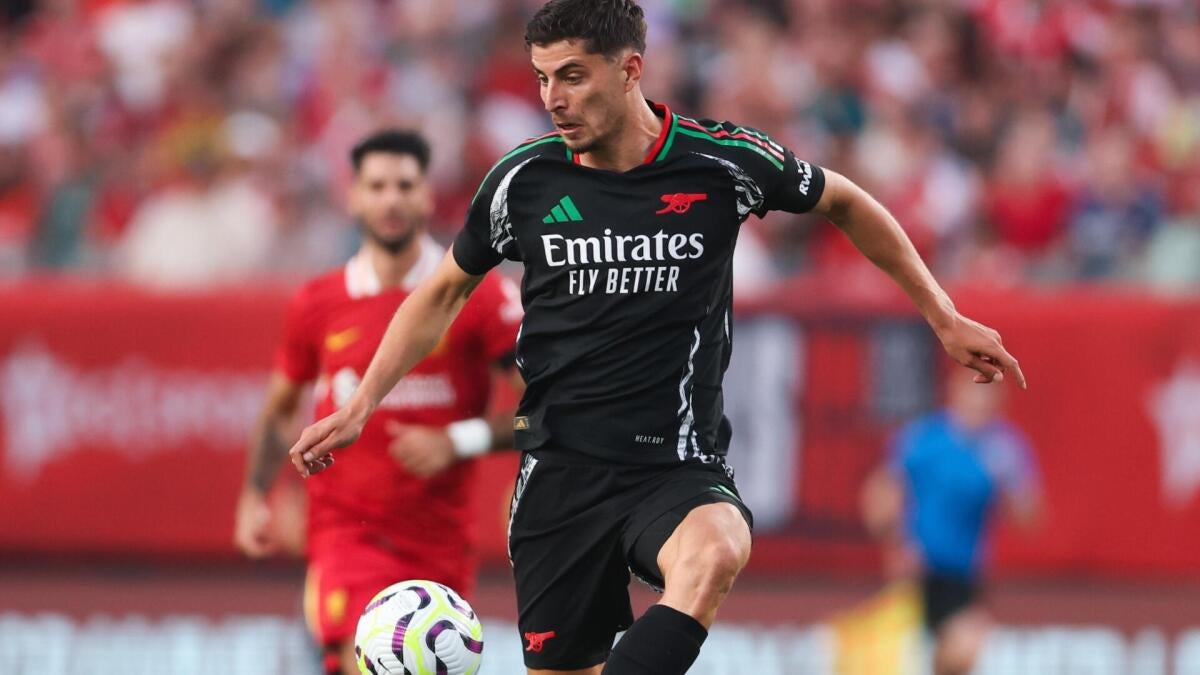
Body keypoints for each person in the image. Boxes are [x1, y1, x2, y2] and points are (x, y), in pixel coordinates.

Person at [288, 3, 1027, 674]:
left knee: (718, 548)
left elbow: (846, 202)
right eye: (543, 78)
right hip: (559, 474)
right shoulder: (523, 180)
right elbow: (442, 291)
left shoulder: (721, 161)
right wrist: (363, 404)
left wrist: (942, 314)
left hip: (672, 463)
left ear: (630, 68)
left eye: (573, 76)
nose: (553, 98)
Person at [233, 129, 523, 675]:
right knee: (366, 660)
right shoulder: (318, 302)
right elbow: (280, 409)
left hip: (439, 537)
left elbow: (544, 408)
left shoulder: (479, 296)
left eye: (405, 186)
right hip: (346, 531)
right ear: (354, 197)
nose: (391, 200)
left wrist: (457, 440)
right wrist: (255, 495)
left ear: (427, 196)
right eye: (377, 186)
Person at [862, 375, 1040, 675]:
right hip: (918, 571)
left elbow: (1030, 520)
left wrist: (1011, 485)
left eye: (987, 396)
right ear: (955, 395)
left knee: (962, 653)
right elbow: (879, 495)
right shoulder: (924, 438)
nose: (979, 403)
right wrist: (897, 544)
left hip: (963, 575)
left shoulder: (1004, 447)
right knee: (903, 656)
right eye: (973, 394)